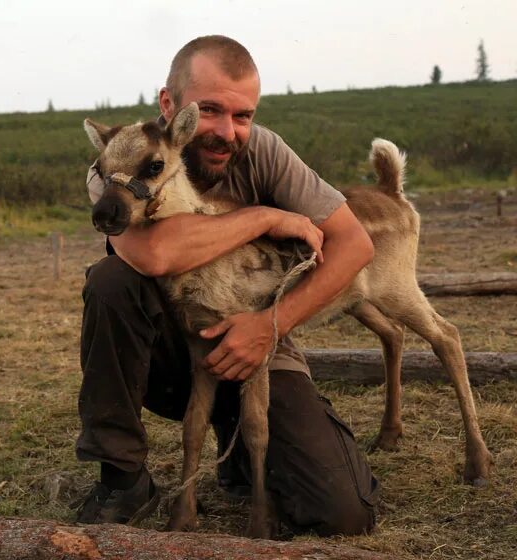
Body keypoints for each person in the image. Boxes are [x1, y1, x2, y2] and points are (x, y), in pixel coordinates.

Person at [75, 35, 380, 536]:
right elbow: (155, 254)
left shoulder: (264, 152)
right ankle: (122, 475)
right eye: (210, 110)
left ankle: (244, 443)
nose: (226, 131)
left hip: (259, 338)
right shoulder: (120, 162)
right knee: (111, 281)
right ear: (171, 106)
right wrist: (263, 216)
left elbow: (356, 245)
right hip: (170, 347)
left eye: (243, 115)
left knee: (343, 512)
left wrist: (271, 324)